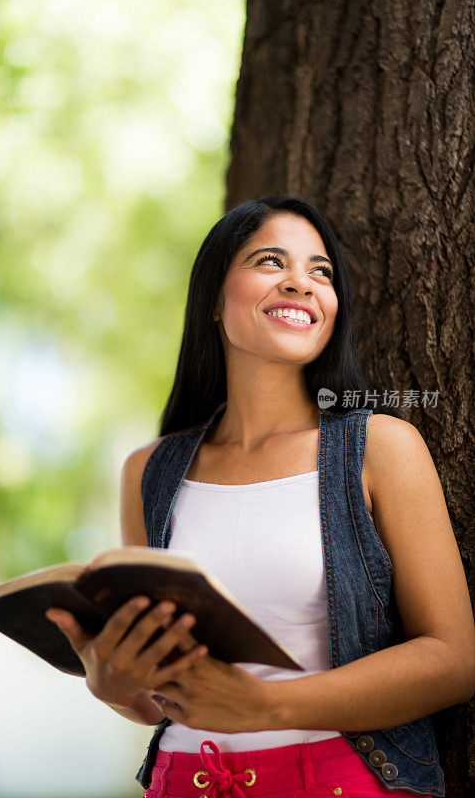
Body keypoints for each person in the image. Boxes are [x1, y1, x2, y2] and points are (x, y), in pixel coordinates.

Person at [45, 196, 475, 798]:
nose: (301, 282)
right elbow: (156, 699)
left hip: (338, 780)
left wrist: (268, 705)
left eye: (321, 271)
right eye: (271, 262)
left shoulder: (380, 446)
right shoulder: (150, 470)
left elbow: (454, 660)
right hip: (180, 781)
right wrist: (115, 688)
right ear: (215, 302)